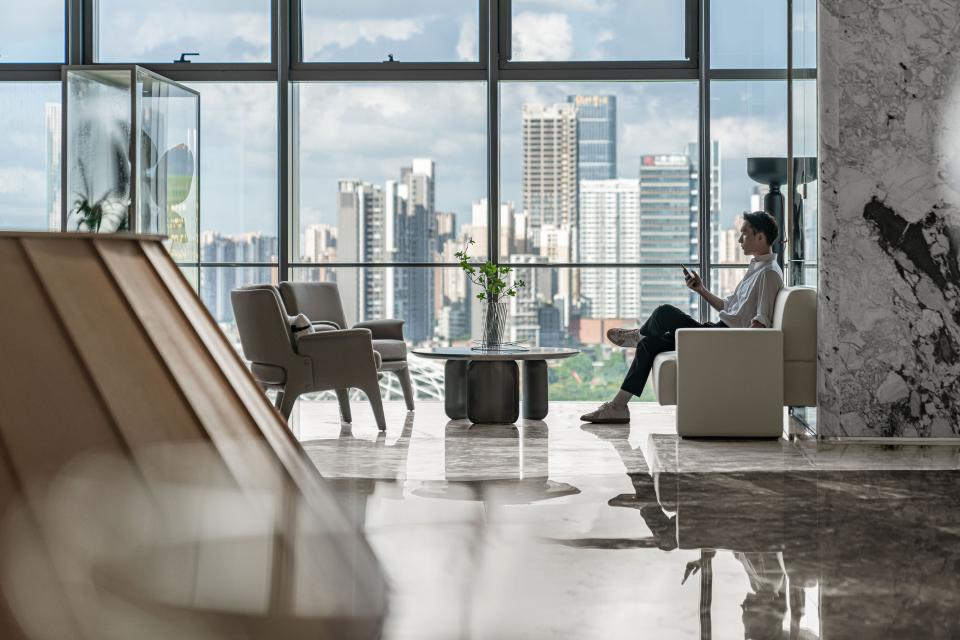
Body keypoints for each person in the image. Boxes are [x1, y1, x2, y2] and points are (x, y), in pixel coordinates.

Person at [580, 211, 784, 424]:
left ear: (760, 237)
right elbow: (730, 308)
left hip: (724, 339)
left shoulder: (768, 274)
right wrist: (701, 290)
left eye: (744, 234)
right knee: (649, 344)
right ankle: (618, 406)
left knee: (665, 312)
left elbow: (760, 325)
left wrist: (733, 352)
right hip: (717, 331)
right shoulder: (757, 267)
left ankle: (637, 335)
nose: (739, 239)